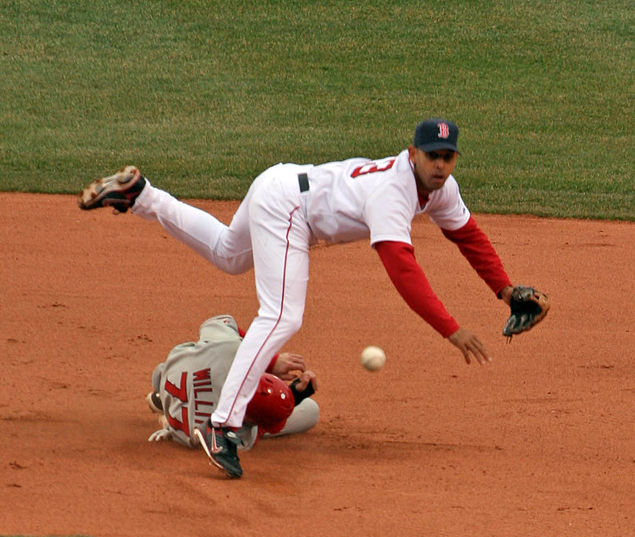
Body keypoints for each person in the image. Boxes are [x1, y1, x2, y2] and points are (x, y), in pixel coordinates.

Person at [79, 118, 517, 479]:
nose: (440, 165)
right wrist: (452, 329)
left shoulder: (442, 189)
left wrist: (508, 291)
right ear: (412, 153)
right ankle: (222, 426)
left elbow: (468, 236)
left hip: (281, 183)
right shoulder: (393, 193)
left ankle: (142, 196)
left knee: (228, 255)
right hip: (289, 206)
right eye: (432, 156)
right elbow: (403, 270)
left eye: (448, 157)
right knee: (282, 316)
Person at [146, 314, 319, 475]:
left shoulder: (231, 349)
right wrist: (294, 398)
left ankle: (160, 393)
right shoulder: (238, 438)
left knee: (171, 368)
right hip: (181, 415)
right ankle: (168, 405)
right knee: (311, 411)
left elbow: (217, 321)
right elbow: (257, 424)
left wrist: (269, 361)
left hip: (172, 372)